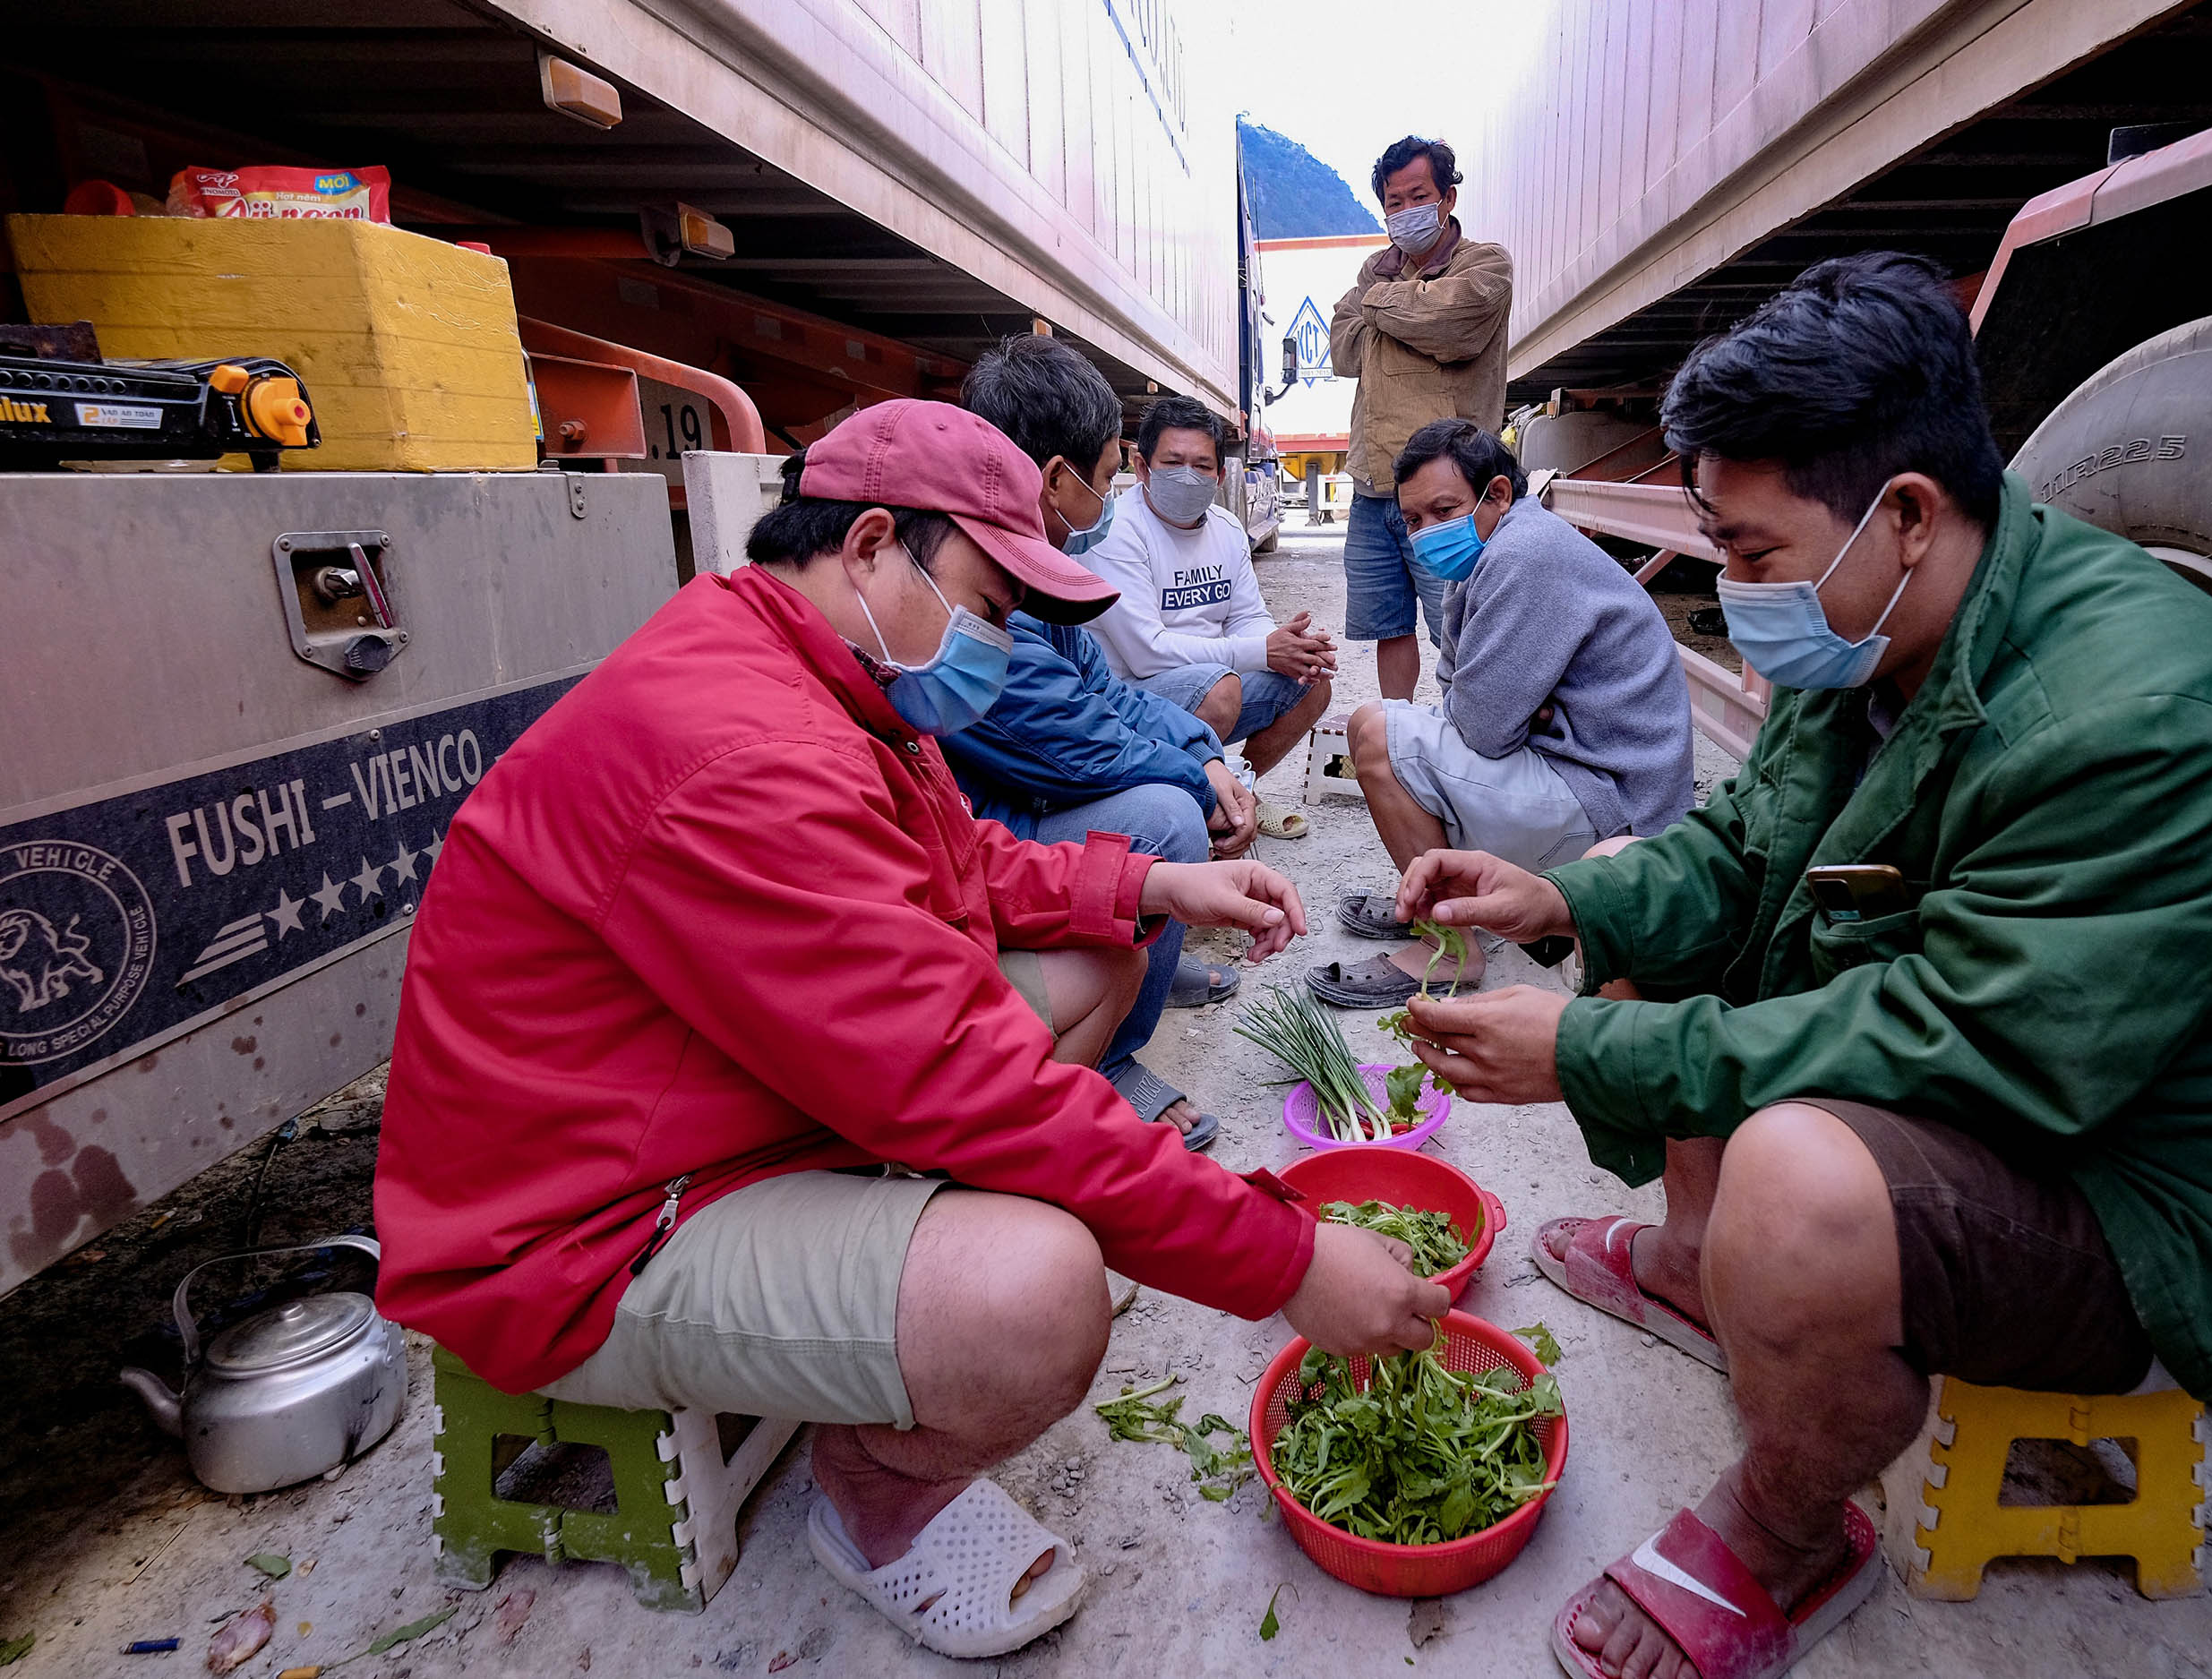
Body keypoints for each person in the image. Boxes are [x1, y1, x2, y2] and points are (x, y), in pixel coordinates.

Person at [1385, 256, 2212, 1679]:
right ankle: (1693, 1263)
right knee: (1636, 907)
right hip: (1989, 1083)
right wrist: (1560, 895)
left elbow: (1974, 1044)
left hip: (2136, 1200)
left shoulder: (2154, 722)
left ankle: (1787, 1529)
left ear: (1904, 512)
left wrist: (1584, 1051)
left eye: (1751, 552)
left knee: (1794, 1180)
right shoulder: (1876, 626)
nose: (1734, 586)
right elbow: (1743, 847)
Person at [372, 399, 1447, 1664]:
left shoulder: (823, 669)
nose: (999, 638)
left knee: (1102, 953)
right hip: (588, 1221)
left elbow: (959, 865)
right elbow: (963, 1078)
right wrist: (1287, 1259)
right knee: (1038, 1295)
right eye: (991, 602)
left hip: (715, 1096)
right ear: (875, 544)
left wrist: (1153, 885)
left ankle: (903, 1273)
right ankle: (875, 1489)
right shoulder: (738, 746)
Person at [953, 333, 1259, 1149]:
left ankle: (1147, 950)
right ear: (1057, 480)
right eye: (1110, 474)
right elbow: (1077, 744)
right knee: (1166, 819)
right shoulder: (978, 586)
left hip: (1005, 803)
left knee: (1185, 772)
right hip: (985, 820)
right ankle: (1112, 1055)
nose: (1113, 498)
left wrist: (1204, 751)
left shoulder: (1037, 565)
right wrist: (1196, 780)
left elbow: (1108, 692)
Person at [1307, 418, 1693, 1011]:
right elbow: (1458, 695)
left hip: (1616, 814)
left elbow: (1481, 729)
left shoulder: (1524, 554)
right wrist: (1511, 707)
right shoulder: (1485, 559)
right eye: (1413, 520)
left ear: (1499, 494)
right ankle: (1444, 901)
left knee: (1378, 734)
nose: (1427, 532)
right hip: (1583, 778)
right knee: (1402, 732)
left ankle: (1452, 948)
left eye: (1443, 510)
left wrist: (1504, 707)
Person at [1329, 134, 1513, 702]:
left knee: (1465, 623)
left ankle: (1478, 727)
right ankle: (1398, 725)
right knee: (1389, 626)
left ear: (1447, 198)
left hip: (1448, 492)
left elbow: (1454, 329)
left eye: (1419, 196)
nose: (1406, 210)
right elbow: (1343, 351)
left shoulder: (1485, 263)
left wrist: (1378, 304)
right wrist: (1412, 311)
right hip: (1374, 486)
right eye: (1394, 202)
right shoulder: (1375, 268)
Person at [1082, 395, 1334, 796]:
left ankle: (1238, 792)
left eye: (1202, 466)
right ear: (1142, 467)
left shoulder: (1227, 528)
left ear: (1220, 476)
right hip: (1126, 697)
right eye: (1173, 463)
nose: (1188, 477)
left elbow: (1246, 616)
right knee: (1220, 690)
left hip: (1210, 681)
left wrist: (1289, 648)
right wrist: (1262, 652)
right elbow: (1147, 653)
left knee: (1311, 682)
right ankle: (1194, 803)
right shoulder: (1116, 532)